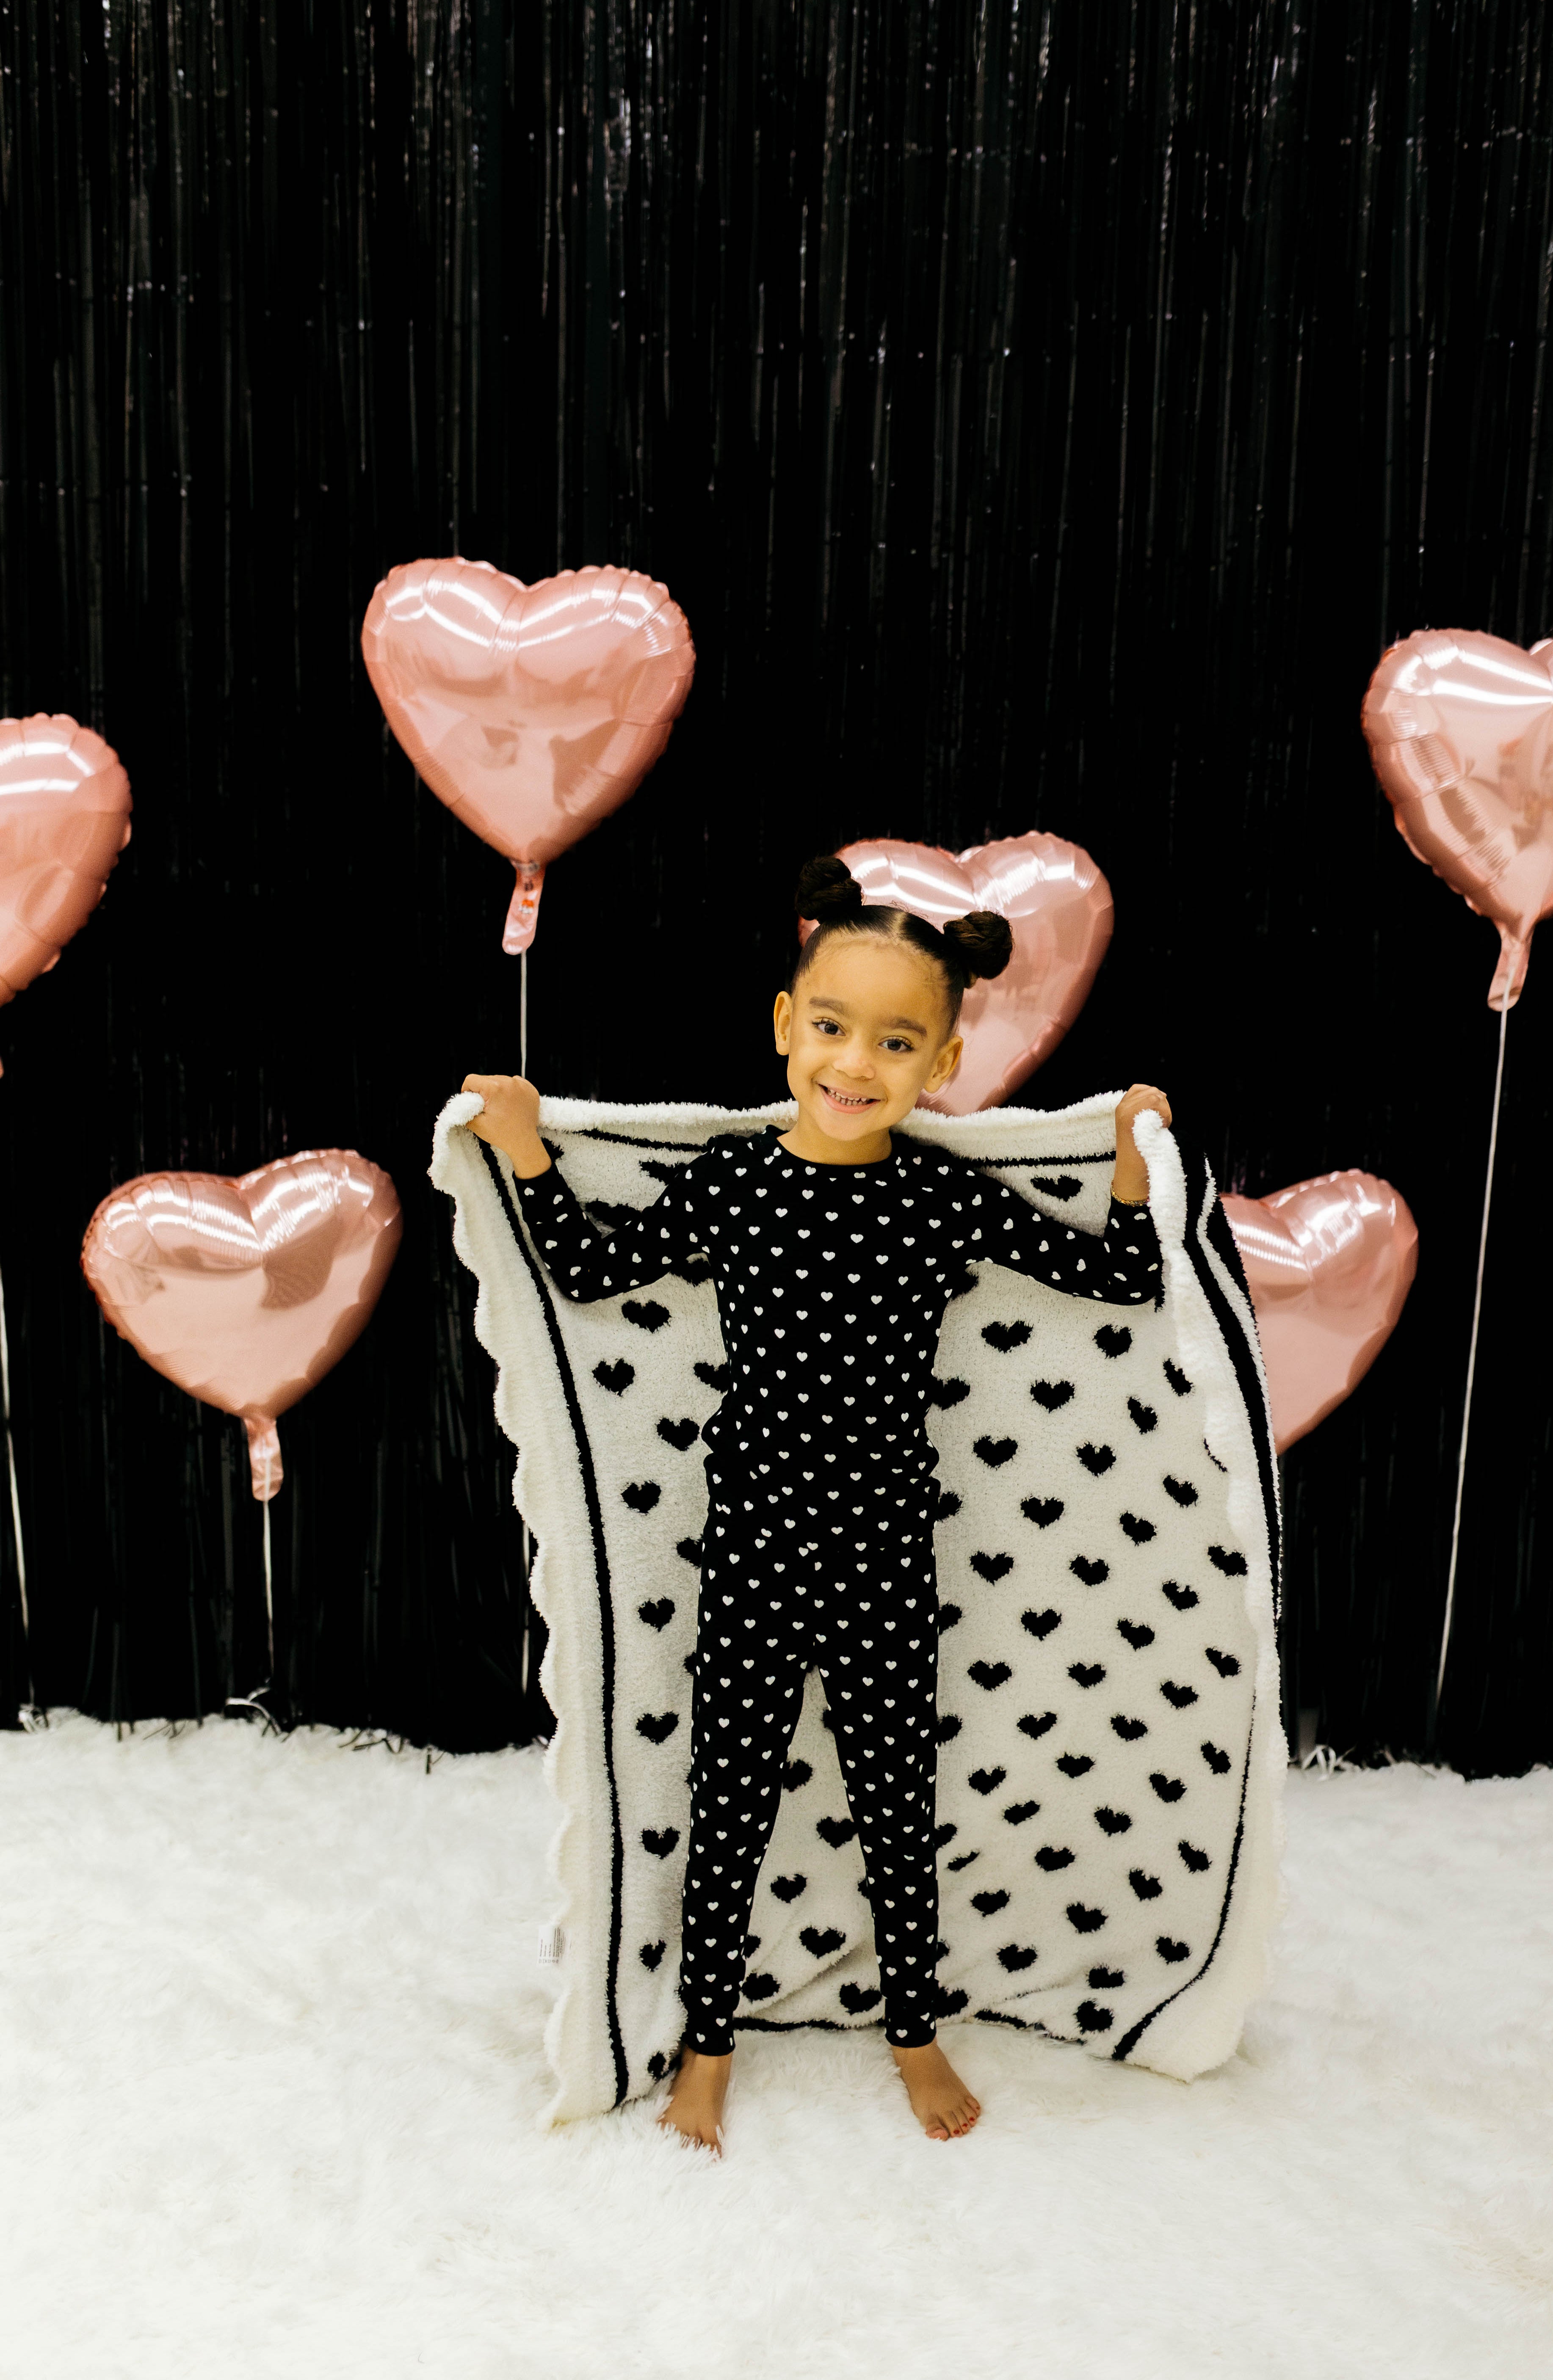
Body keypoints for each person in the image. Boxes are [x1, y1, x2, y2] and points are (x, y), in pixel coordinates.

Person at [463, 856, 1171, 2154]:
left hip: (892, 1550)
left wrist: (1129, 1159)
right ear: (786, 1024)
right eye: (833, 1027)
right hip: (752, 1551)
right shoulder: (737, 1181)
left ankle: (914, 2023)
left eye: (898, 1041)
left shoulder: (939, 1194)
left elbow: (1120, 1278)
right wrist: (526, 1153)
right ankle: (709, 2040)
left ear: (945, 1059)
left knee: (899, 1799)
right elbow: (586, 1267)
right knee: (728, 1799)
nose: (858, 1063)